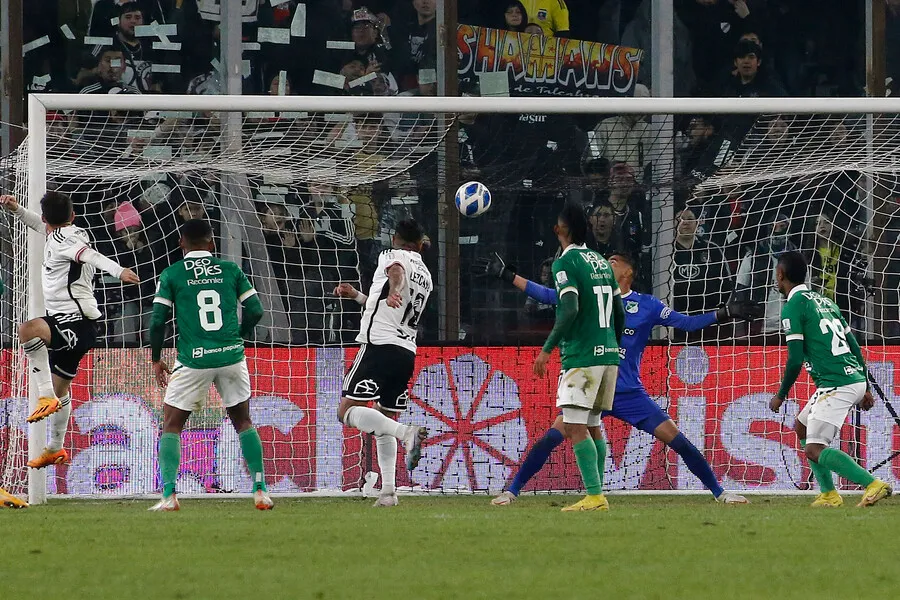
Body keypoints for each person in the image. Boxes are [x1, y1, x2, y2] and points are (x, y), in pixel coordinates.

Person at [483, 251, 757, 505]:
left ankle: (720, 493)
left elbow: (685, 323)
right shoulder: (589, 294)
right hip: (591, 385)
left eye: (613, 261)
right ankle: (512, 491)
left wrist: (724, 314)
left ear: (628, 272)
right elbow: (548, 295)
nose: (607, 264)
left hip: (628, 393)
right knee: (550, 438)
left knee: (679, 441)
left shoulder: (647, 305)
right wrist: (509, 276)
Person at [0, 192, 139, 469]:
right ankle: (55, 447)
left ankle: (45, 396)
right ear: (72, 216)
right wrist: (17, 210)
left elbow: (90, 255)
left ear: (46, 217)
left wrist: (118, 270)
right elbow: (41, 226)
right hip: (78, 324)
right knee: (62, 388)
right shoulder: (63, 233)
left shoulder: (67, 240)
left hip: (74, 321)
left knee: (28, 330)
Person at [148, 219, 270, 512]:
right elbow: (256, 310)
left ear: (181, 243)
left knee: (172, 425)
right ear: (212, 243)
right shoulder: (231, 270)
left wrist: (155, 358)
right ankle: (260, 490)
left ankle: (169, 495)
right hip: (231, 356)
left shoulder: (172, 274)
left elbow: (156, 321)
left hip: (194, 358)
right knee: (243, 422)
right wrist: (238, 336)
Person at [768, 251, 892, 508]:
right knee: (801, 426)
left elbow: (795, 360)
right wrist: (865, 386)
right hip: (850, 378)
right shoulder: (825, 301)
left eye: (776, 276)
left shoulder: (793, 306)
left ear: (780, 275)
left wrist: (781, 394)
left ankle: (873, 484)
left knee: (814, 449)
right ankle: (828, 494)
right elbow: (854, 346)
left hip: (837, 384)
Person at [332, 219, 432, 507]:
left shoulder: (391, 256)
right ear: (421, 244)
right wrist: (357, 296)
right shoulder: (426, 274)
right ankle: (389, 491)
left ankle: (407, 434)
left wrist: (394, 288)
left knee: (345, 412)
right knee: (383, 418)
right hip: (406, 352)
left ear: (395, 238)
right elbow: (391, 306)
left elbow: (396, 273)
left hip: (379, 345)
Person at [531, 203, 624, 512]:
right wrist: (613, 345)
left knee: (573, 426)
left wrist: (547, 349)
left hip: (582, 357)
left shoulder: (564, 263)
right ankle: (599, 494)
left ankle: (595, 495)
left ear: (562, 230)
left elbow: (569, 308)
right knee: (593, 425)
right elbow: (619, 312)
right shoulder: (600, 260)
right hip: (608, 352)